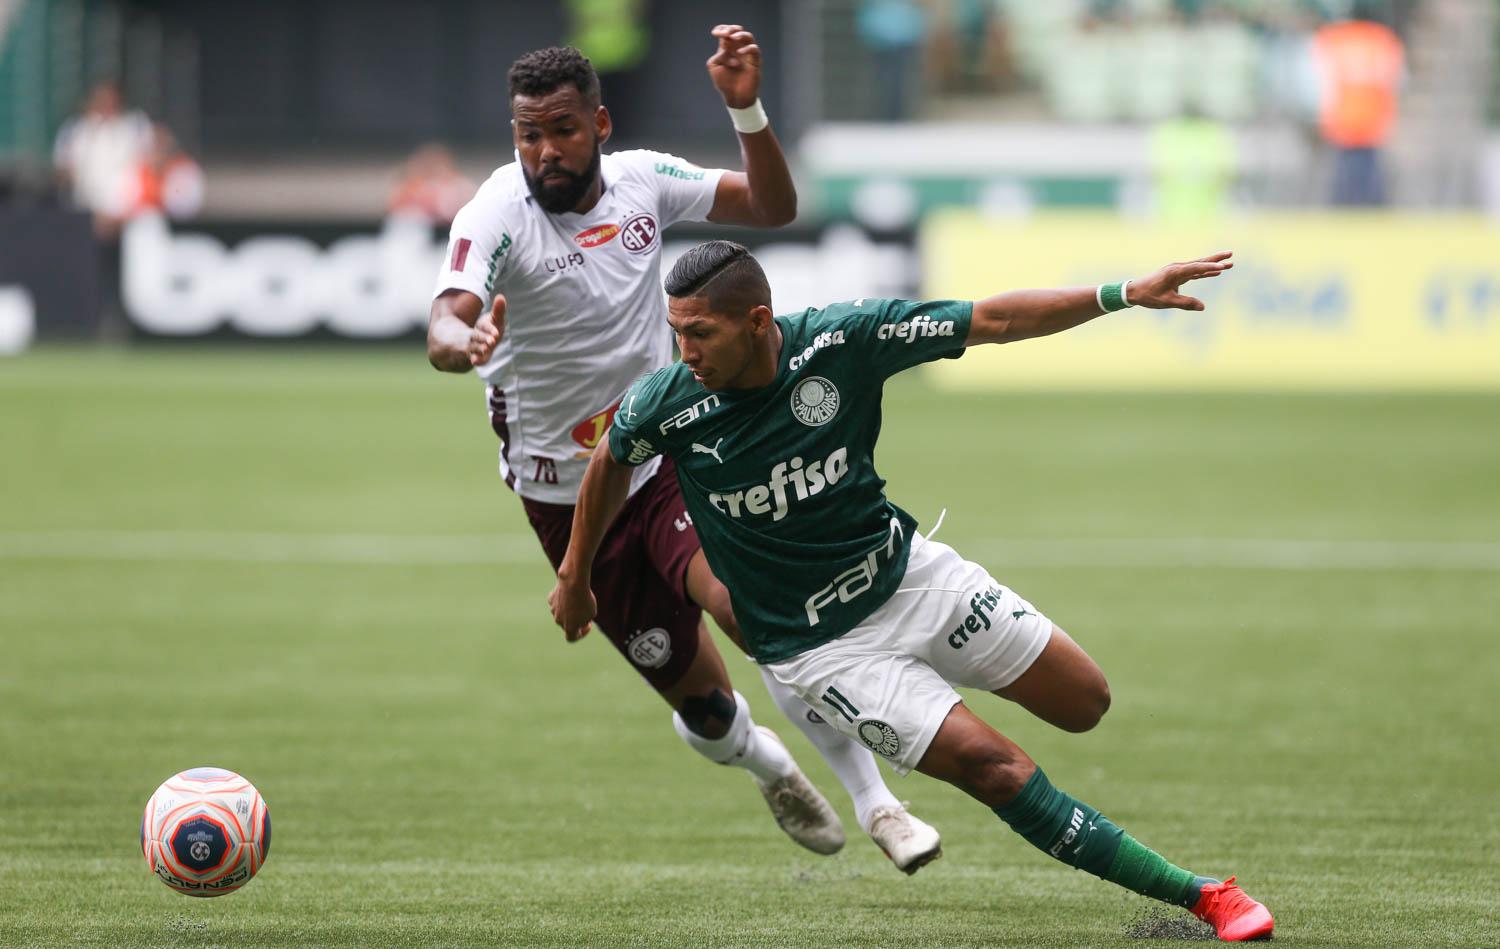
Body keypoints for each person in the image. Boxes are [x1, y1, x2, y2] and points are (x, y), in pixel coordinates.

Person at [550, 241, 1277, 942]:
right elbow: (609, 462)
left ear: (758, 322)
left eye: (700, 333)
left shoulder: (842, 342)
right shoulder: (667, 402)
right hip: (824, 651)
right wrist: (575, 577)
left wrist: (1121, 294)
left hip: (911, 578)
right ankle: (1203, 894)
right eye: (675, 333)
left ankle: (877, 790)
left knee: (1085, 700)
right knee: (997, 769)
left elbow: (992, 319)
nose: (686, 353)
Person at [427, 31, 941, 870]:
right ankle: (767, 762)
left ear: (600, 122)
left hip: (670, 458)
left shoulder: (643, 182)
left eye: (560, 130)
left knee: (747, 607)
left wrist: (745, 107)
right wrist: (464, 336)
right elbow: (445, 316)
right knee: (704, 708)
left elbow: (773, 208)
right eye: (527, 135)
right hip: (567, 496)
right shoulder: (494, 214)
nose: (544, 152)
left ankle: (878, 802)